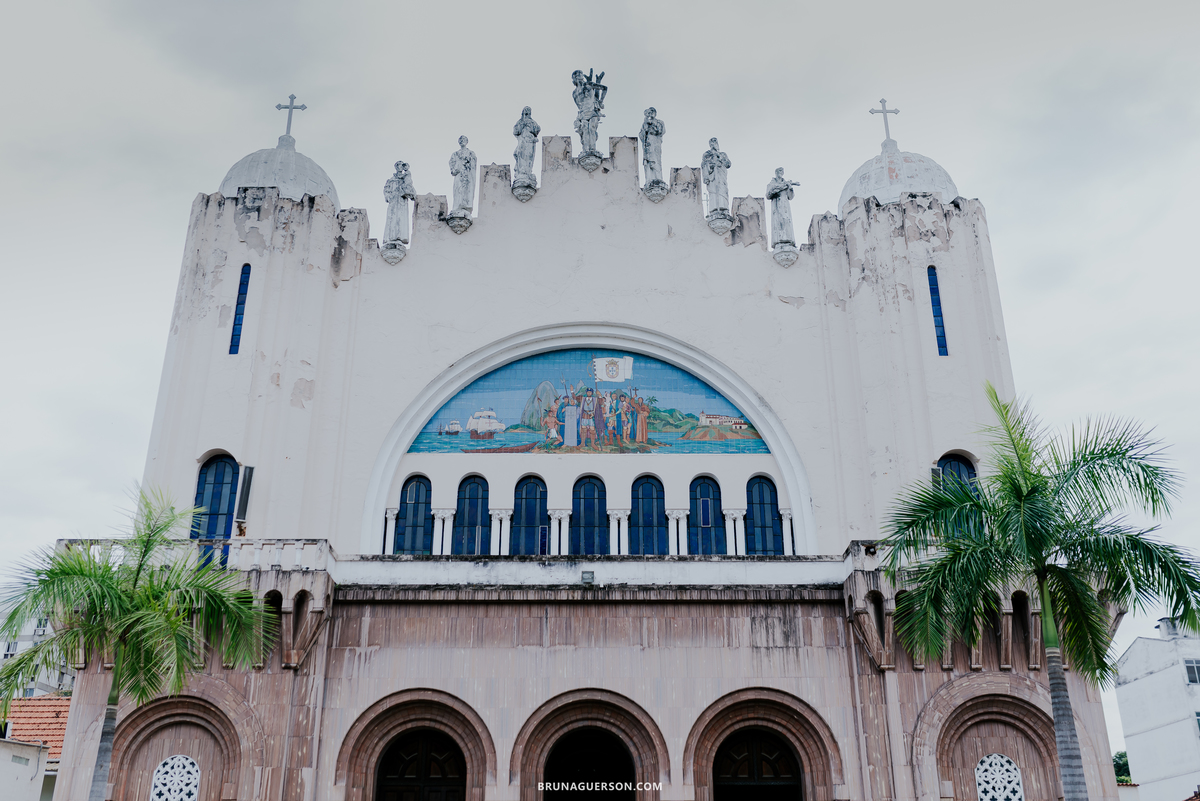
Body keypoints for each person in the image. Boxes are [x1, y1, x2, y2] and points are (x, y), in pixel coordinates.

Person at [571, 69, 607, 154]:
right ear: (573, 79)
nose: (578, 78)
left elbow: (605, 88)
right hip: (583, 114)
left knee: (591, 128)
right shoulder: (574, 93)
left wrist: (601, 101)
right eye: (576, 76)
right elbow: (579, 105)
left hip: (592, 112)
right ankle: (586, 150)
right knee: (585, 130)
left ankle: (592, 150)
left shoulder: (589, 85)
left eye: (580, 75)